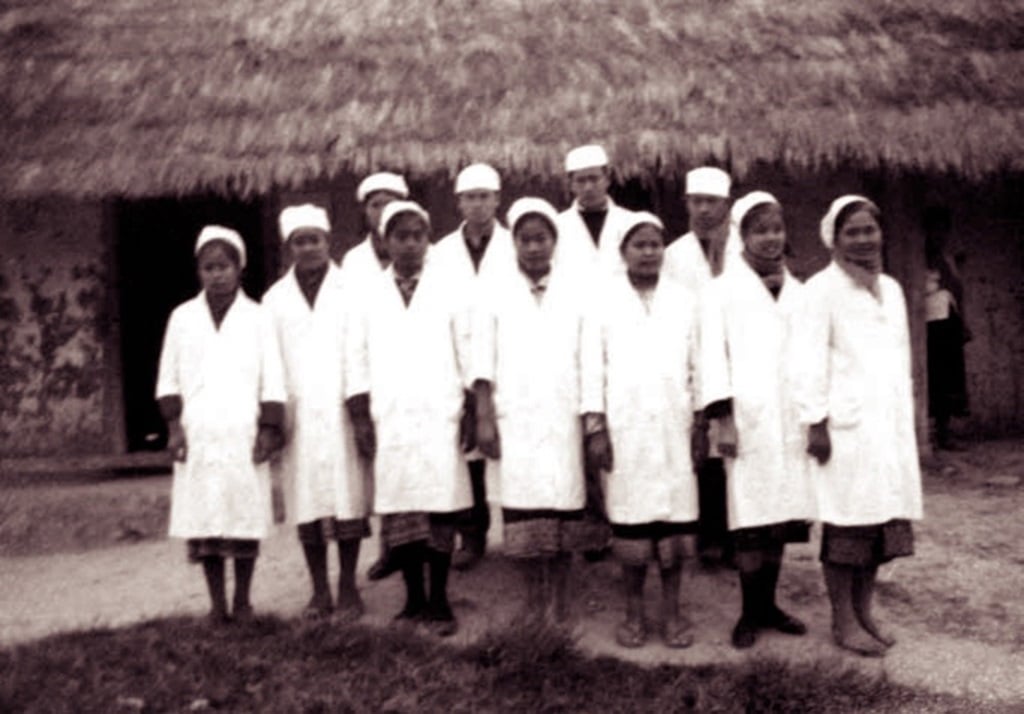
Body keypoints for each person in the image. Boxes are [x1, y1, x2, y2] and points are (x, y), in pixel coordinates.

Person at [797, 195, 924, 657]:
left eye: (870, 229)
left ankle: (865, 612)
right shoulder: (820, 290)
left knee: (880, 524)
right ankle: (843, 620)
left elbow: (901, 358)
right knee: (846, 525)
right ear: (834, 239)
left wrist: (906, 414)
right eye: (852, 232)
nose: (864, 239)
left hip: (886, 427)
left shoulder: (890, 288)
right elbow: (806, 362)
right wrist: (815, 422)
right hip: (844, 428)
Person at [344, 200, 474, 637]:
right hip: (392, 416)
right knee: (402, 511)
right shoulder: (367, 294)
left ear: (428, 240)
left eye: (419, 236)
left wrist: (470, 406)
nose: (411, 244)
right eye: (401, 236)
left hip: (440, 413)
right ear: (385, 241)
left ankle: (440, 600)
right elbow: (355, 357)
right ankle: (413, 598)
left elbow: (467, 348)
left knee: (440, 506)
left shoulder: (450, 287)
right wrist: (361, 416)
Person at [580, 211, 701, 649]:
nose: (649, 252)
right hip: (625, 429)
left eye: (655, 244)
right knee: (631, 524)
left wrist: (700, 422)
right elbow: (591, 368)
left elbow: (698, 365)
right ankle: (633, 611)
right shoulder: (602, 301)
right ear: (623, 251)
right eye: (639, 245)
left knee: (674, 525)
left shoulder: (684, 299)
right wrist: (596, 428)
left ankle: (672, 612)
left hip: (674, 427)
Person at [700, 192, 816, 649]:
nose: (770, 238)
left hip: (790, 420)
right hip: (746, 421)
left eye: (777, 229)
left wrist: (812, 417)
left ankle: (769, 605)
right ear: (742, 235)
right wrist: (724, 420)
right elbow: (712, 358)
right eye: (760, 230)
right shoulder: (721, 291)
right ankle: (749, 611)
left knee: (782, 514)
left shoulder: (800, 292)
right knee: (750, 517)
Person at [156, 225, 285, 624]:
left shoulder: (259, 317)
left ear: (239, 268)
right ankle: (216, 604)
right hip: (199, 432)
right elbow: (168, 377)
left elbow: (273, 377)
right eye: (209, 267)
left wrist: (268, 429)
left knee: (243, 517)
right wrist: (174, 427)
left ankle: (243, 601)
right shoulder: (182, 318)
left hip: (243, 430)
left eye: (224, 266)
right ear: (199, 271)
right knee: (206, 520)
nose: (217, 274)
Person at [473, 197, 592, 624]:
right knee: (522, 509)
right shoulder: (494, 290)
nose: (534, 247)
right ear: (515, 244)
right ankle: (532, 597)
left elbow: (590, 356)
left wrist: (590, 415)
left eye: (541, 238)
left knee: (563, 507)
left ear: (554, 241)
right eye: (525, 239)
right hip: (516, 416)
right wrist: (484, 416)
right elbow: (481, 359)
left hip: (563, 413)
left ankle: (558, 597)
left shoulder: (577, 288)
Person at [263, 204, 368, 619]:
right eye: (299, 241)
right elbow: (271, 363)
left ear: (328, 242)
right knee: (305, 502)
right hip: (300, 415)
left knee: (348, 500)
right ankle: (319, 589)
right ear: (289, 247)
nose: (308, 248)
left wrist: (360, 412)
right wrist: (274, 420)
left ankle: (348, 586)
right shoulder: (275, 299)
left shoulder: (351, 291)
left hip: (342, 410)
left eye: (315, 240)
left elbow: (358, 353)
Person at [431, 163, 516, 571]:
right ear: (458, 203)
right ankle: (473, 534)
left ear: (497, 200)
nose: (478, 204)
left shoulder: (514, 243)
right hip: (456, 359)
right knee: (469, 453)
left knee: (510, 448)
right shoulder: (441, 252)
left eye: (485, 196)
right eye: (470, 197)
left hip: (508, 359)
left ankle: (518, 532)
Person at [663, 166, 741, 569]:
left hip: (740, 358)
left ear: (727, 204)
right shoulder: (674, 255)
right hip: (692, 357)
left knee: (739, 446)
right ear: (687, 204)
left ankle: (740, 537)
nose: (704, 209)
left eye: (712, 202)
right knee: (702, 450)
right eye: (697, 202)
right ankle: (709, 536)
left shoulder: (745, 247)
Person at [338, 171, 409, 582]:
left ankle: (423, 549)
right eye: (375, 204)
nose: (383, 210)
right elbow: (351, 329)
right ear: (365, 211)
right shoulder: (354, 262)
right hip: (376, 374)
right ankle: (390, 547)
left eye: (390, 201)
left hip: (417, 376)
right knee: (382, 467)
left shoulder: (426, 251)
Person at [924, 207, 970, 450]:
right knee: (934, 377)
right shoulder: (918, 259)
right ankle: (930, 433)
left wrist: (963, 322)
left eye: (943, 230)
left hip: (948, 322)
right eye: (934, 229)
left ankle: (944, 432)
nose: (939, 235)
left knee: (950, 378)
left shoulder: (946, 258)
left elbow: (957, 291)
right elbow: (922, 290)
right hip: (930, 325)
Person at [555, 144, 637, 277]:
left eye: (594, 179)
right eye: (581, 181)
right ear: (570, 184)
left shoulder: (630, 222)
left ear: (607, 179)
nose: (588, 187)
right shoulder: (557, 226)